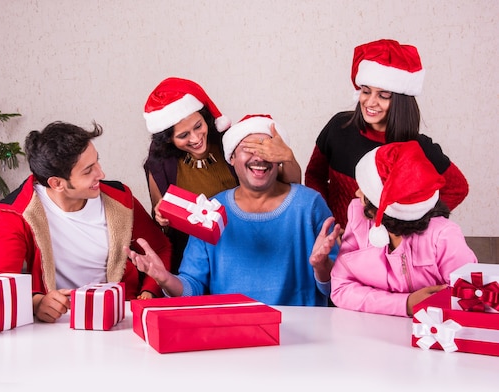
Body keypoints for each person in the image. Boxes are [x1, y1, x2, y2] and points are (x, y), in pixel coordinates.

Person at [127, 114, 341, 307]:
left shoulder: (309, 204)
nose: (259, 157)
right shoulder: (210, 211)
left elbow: (336, 288)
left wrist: (322, 266)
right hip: (234, 333)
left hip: (302, 336)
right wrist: (164, 278)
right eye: (249, 149)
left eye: (266, 149)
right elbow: (192, 287)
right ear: (231, 158)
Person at [0, 121, 172, 323]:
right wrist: (35, 302)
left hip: (119, 316)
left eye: (97, 162)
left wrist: (150, 291)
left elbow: (160, 249)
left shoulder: (120, 199)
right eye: (88, 170)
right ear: (57, 183)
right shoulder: (17, 212)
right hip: (58, 324)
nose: (101, 174)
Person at [143, 77, 302, 274]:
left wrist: (286, 156)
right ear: (168, 140)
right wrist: (161, 215)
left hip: (242, 248)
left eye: (198, 126)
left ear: (205, 118)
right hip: (192, 260)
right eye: (183, 136)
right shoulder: (160, 164)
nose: (195, 138)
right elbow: (162, 216)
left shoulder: (231, 142)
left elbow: (292, 184)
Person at [305, 39, 468, 229]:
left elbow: (457, 188)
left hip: (385, 253)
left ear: (400, 101)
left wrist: (413, 227)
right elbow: (314, 175)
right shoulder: (339, 127)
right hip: (336, 244)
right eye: (366, 91)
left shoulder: (417, 148)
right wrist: (325, 220)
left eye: (383, 95)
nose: (370, 102)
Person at [330, 141, 478, 317]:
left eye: (365, 189)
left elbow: (468, 299)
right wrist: (405, 304)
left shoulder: (443, 237)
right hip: (370, 334)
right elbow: (340, 289)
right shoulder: (359, 220)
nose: (357, 193)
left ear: (382, 203)